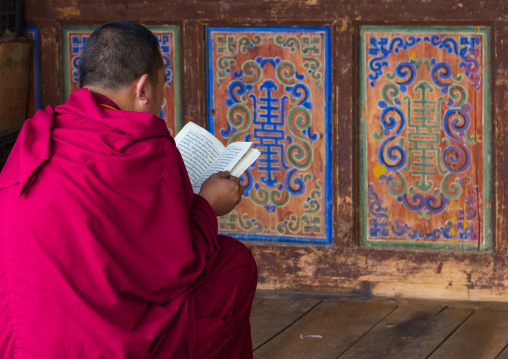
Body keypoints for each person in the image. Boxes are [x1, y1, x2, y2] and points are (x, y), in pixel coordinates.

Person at [0, 20, 257, 358]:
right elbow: (175, 271)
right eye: (162, 91)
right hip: (100, 347)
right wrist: (207, 205)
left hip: (20, 344)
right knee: (234, 264)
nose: (160, 106)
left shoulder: (36, 134)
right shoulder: (142, 144)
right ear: (143, 89)